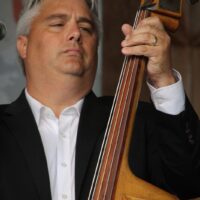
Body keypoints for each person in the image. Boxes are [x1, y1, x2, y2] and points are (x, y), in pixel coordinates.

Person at [0, 0, 199, 199]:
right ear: (23, 45)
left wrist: (163, 78)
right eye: (58, 24)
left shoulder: (137, 121)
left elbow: (190, 182)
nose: (76, 33)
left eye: (86, 28)